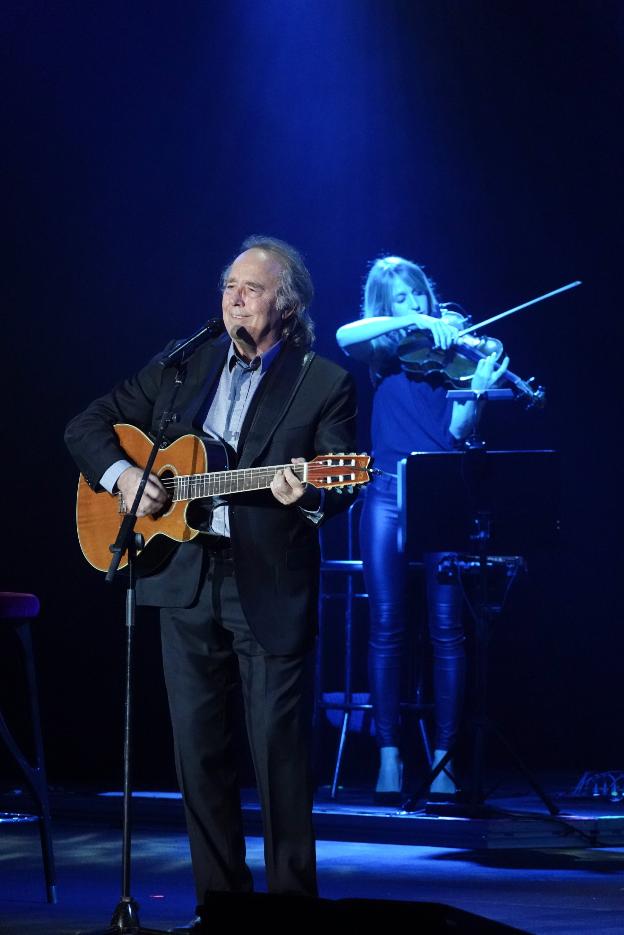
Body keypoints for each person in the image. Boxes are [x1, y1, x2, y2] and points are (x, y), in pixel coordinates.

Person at [65, 236, 358, 925]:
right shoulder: (185, 362)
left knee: (280, 758)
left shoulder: (325, 381)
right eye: (229, 286)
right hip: (181, 577)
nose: (233, 298)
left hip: (269, 582)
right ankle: (222, 908)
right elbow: (86, 425)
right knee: (200, 753)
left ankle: (291, 912)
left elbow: (340, 476)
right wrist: (126, 475)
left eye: (251, 289)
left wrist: (307, 492)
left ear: (286, 306)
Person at [336, 255, 508, 801]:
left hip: (441, 494)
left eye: (419, 297)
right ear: (387, 308)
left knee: (447, 631)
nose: (416, 306)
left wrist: (476, 390)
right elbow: (346, 333)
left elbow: (460, 433)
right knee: (386, 625)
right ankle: (388, 756)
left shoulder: (453, 351)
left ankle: (444, 756)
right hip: (385, 490)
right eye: (401, 301)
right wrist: (410, 324)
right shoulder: (383, 351)